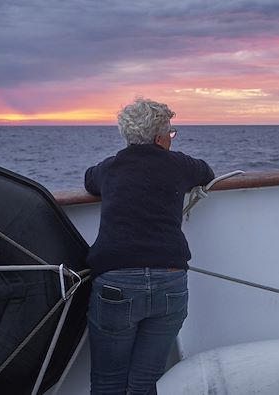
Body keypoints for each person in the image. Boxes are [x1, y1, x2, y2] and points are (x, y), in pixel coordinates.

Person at [84, 98, 215, 394]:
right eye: (170, 134)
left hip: (117, 282)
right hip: (169, 279)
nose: (171, 139)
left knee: (107, 382)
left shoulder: (111, 167)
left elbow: (89, 180)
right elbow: (206, 173)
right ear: (159, 138)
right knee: (146, 383)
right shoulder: (179, 164)